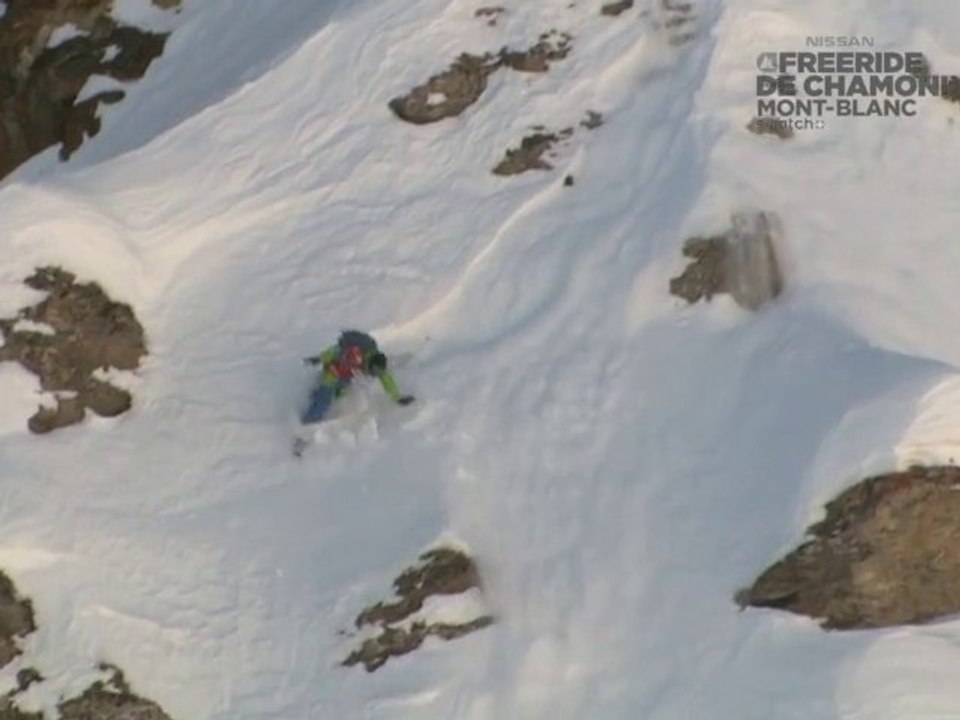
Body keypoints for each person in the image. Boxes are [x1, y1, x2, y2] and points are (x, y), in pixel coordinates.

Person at [301, 330, 414, 424]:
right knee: (323, 401)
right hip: (332, 374)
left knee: (339, 396)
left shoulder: (375, 359)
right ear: (370, 365)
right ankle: (306, 427)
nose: (373, 375)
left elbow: (386, 378)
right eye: (373, 372)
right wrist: (319, 359)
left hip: (346, 377)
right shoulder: (356, 354)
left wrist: (397, 397)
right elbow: (335, 351)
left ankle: (312, 403)